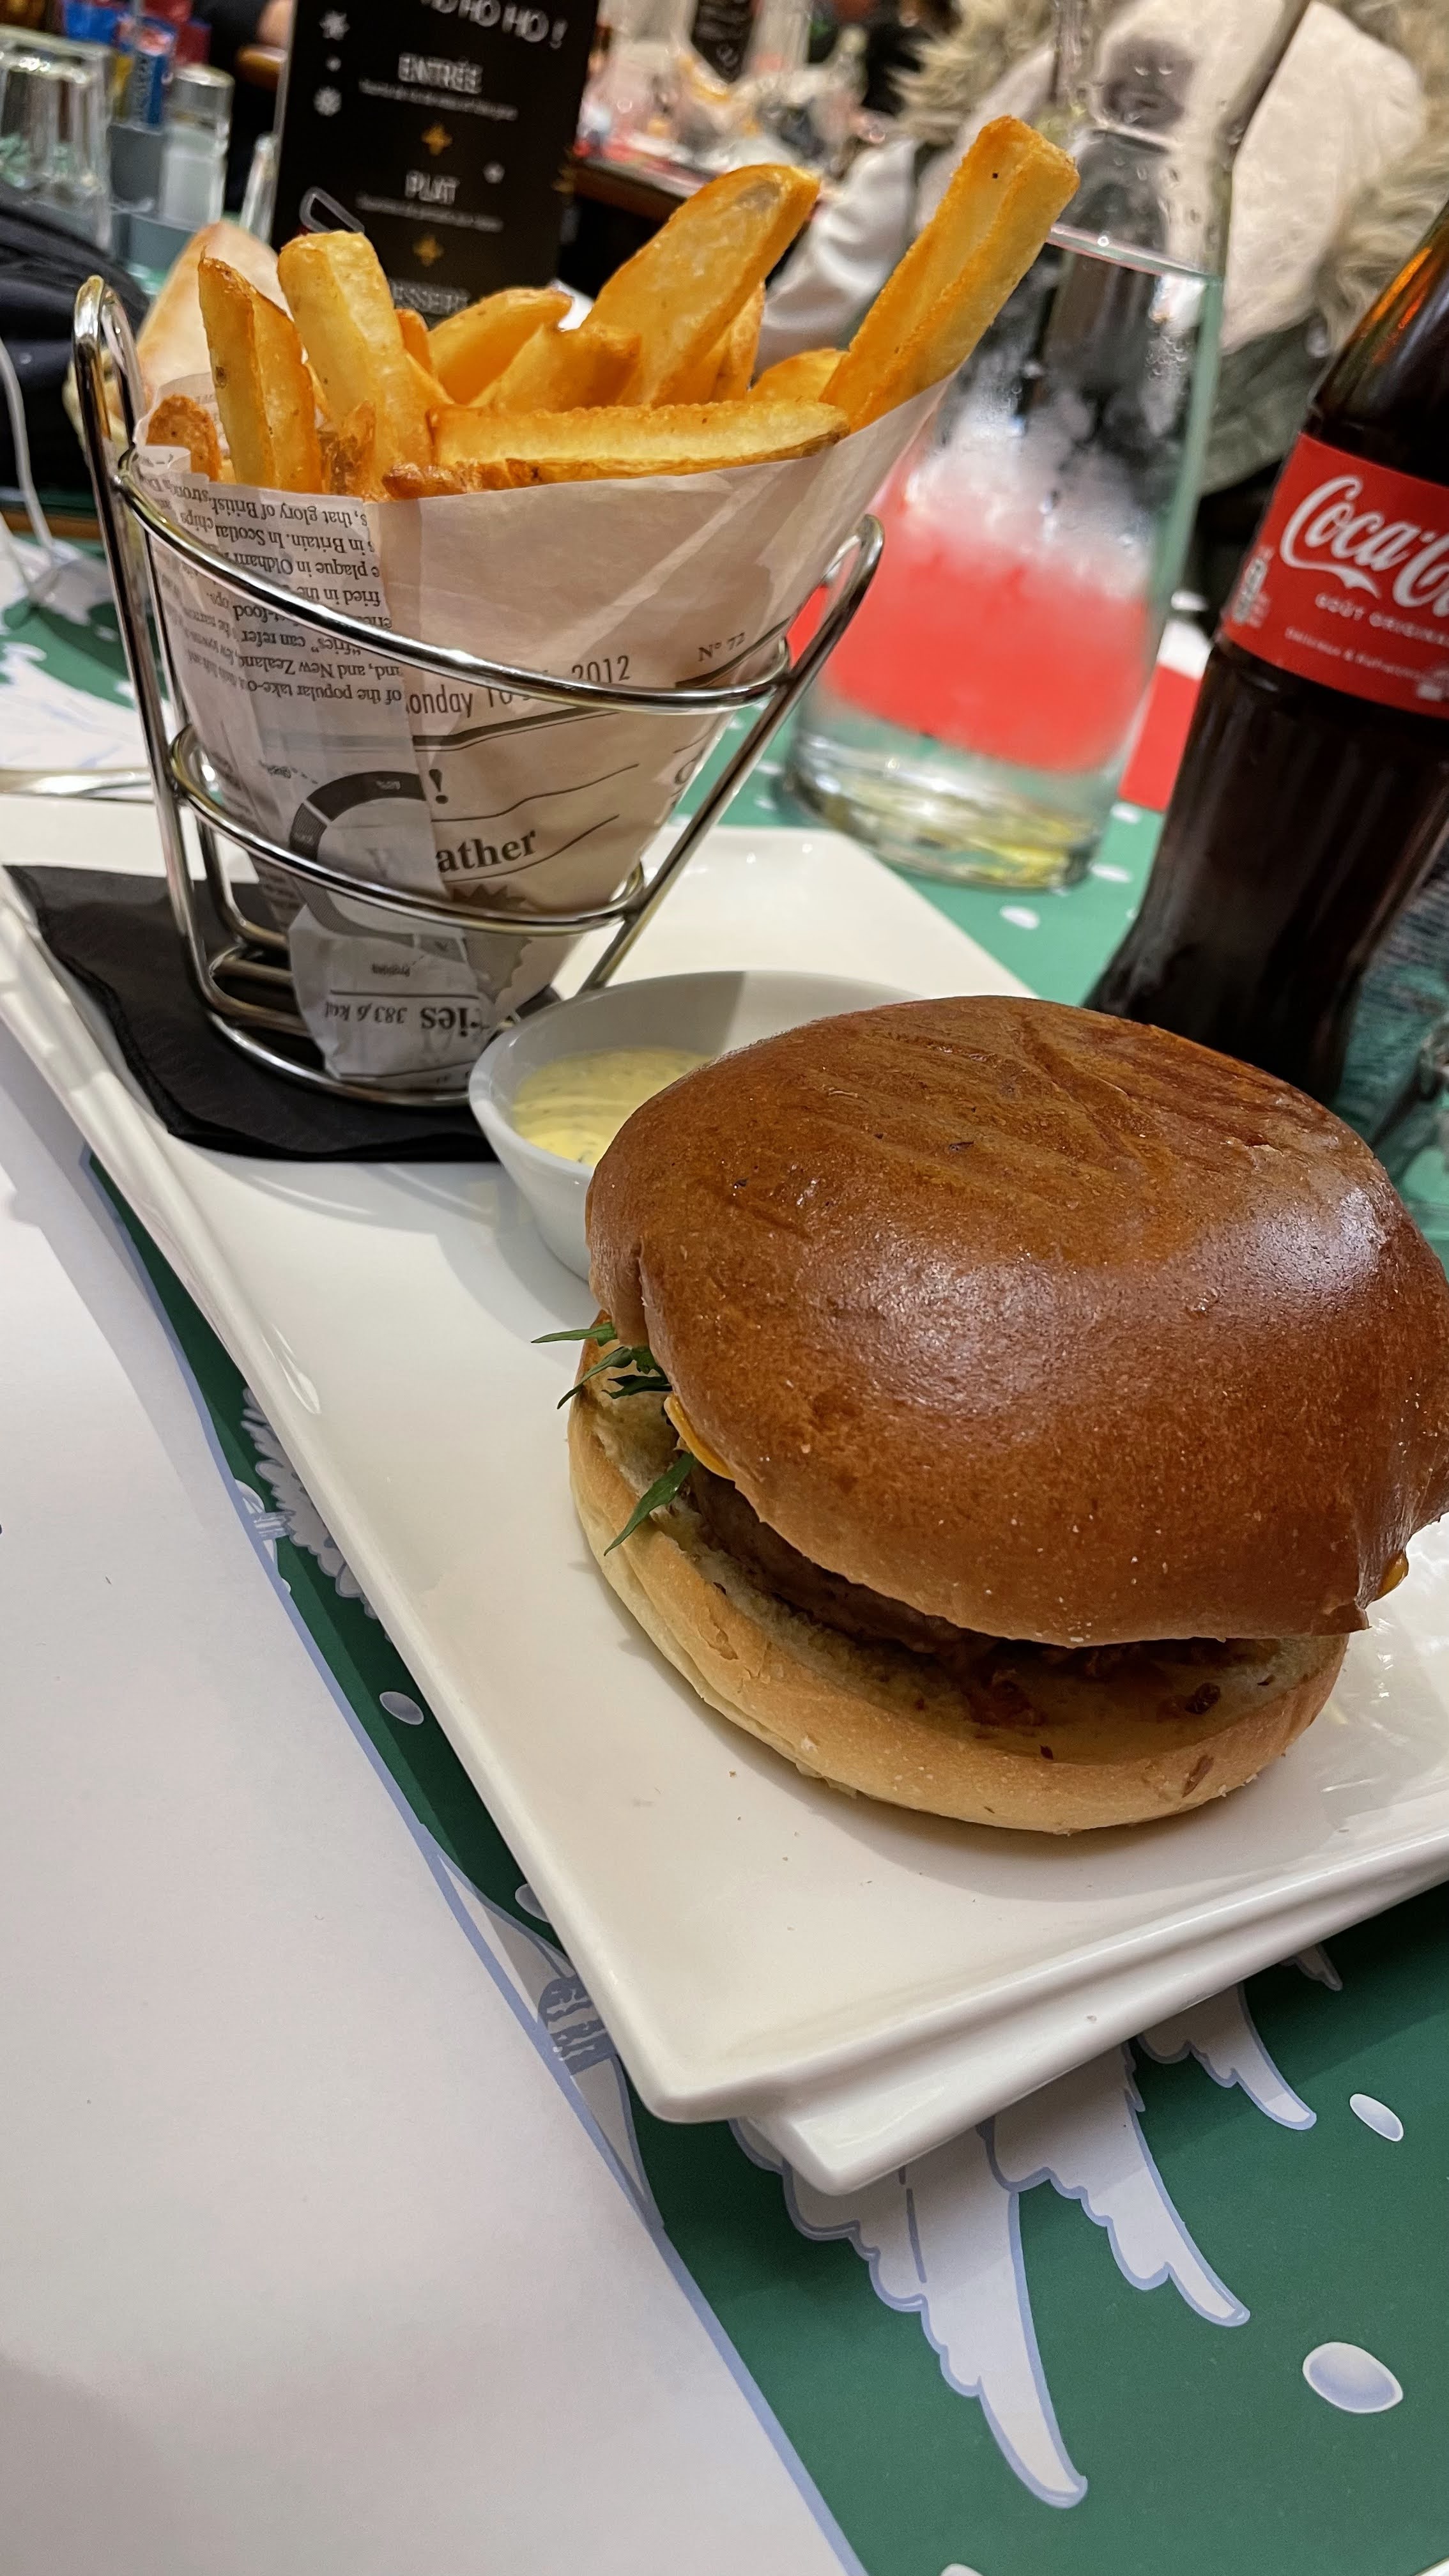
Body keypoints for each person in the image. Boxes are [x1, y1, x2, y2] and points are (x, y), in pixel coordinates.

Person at [758, 0, 1449, 598]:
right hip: (1147, 551)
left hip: (860, 509)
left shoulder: (1057, 33)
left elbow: (820, 297)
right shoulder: (1396, 98)